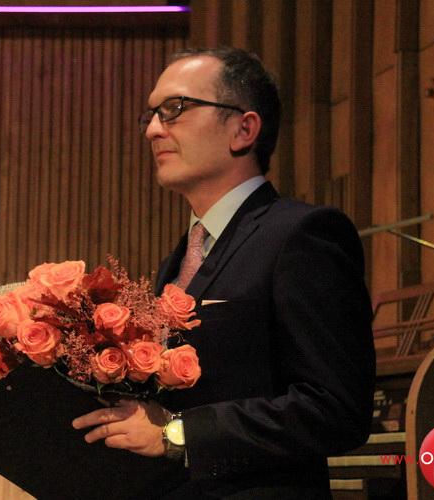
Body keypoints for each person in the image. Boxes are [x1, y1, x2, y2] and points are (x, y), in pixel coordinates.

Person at [73, 47, 376, 499]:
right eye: (151, 115)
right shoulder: (181, 257)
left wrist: (177, 434)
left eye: (175, 108)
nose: (153, 129)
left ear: (243, 129)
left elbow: (336, 408)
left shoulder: (302, 234)